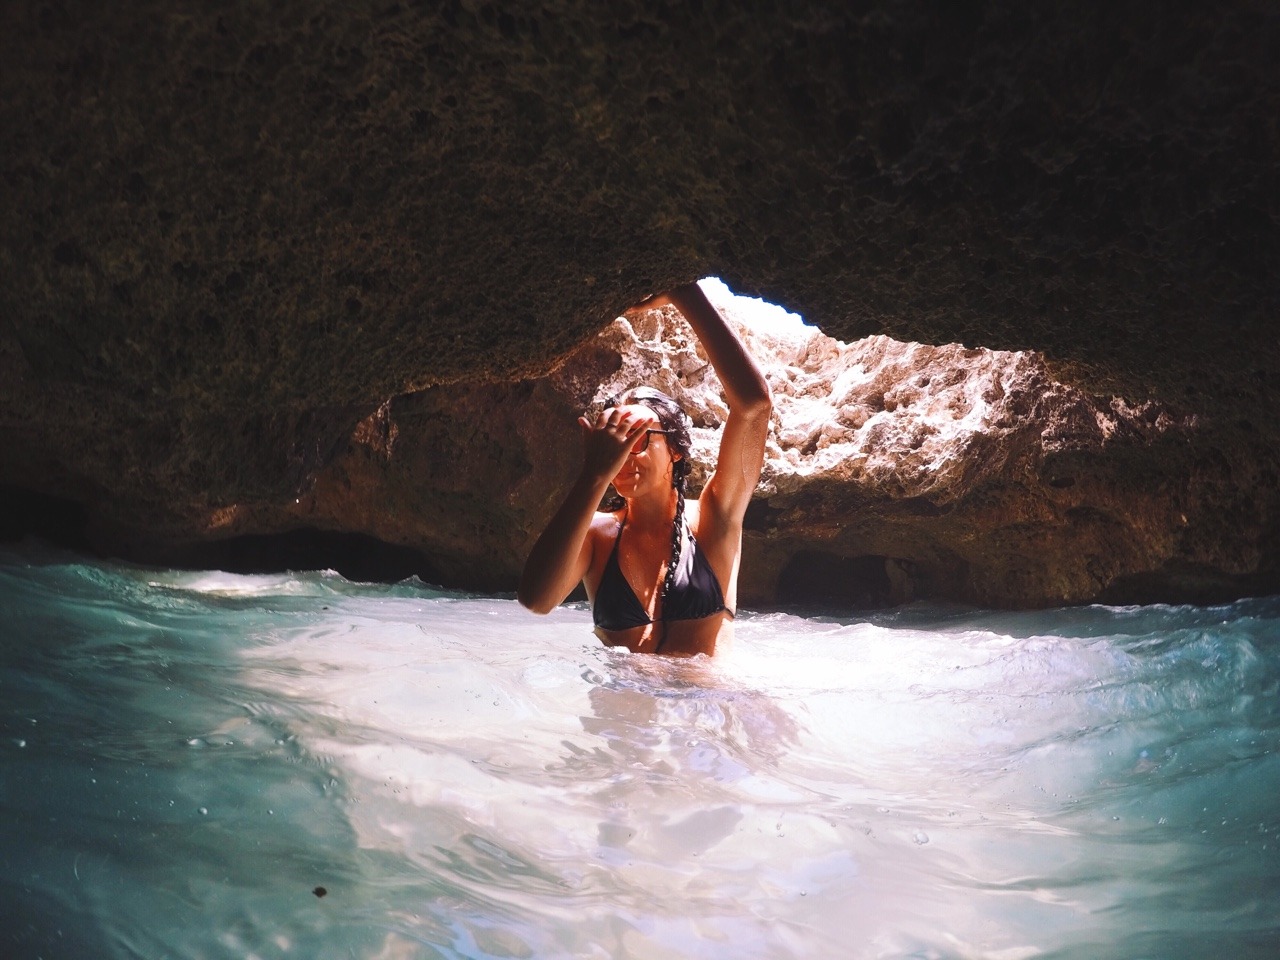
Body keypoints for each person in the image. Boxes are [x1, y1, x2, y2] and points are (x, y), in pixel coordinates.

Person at [518, 281, 772, 656]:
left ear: (675, 450)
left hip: (702, 693)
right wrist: (593, 475)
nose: (623, 455)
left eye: (636, 438)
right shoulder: (597, 534)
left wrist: (684, 294)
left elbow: (754, 404)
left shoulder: (716, 517)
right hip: (621, 695)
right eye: (614, 441)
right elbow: (536, 601)